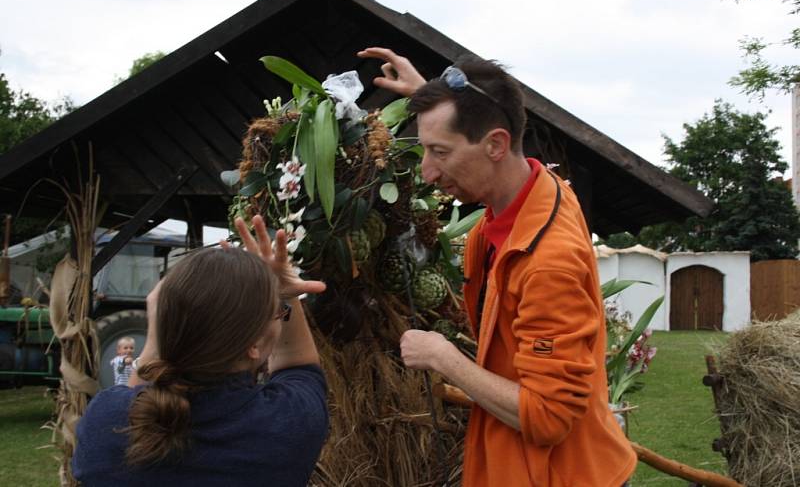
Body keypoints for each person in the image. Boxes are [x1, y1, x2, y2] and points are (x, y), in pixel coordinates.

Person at [359, 48, 637, 486]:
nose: (428, 171)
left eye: (440, 152)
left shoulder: (548, 262)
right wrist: (433, 97)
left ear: (495, 144)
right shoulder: (538, 191)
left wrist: (443, 357)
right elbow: (484, 111)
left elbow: (548, 418)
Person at [72, 215, 328, 486]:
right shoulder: (286, 425)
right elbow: (299, 367)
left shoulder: (106, 422)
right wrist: (285, 293)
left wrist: (159, 334)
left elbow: (136, 398)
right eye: (278, 313)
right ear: (252, 344)